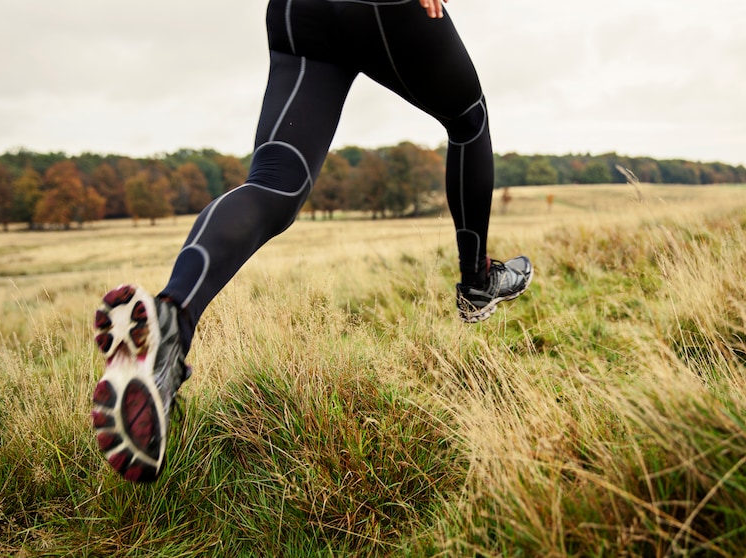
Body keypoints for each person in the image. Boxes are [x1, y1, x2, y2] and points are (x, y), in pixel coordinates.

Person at [89, 0, 533, 483]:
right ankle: (477, 281)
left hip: (300, 14)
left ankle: (170, 321)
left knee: (274, 187)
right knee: (469, 119)